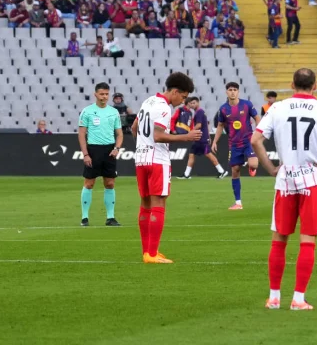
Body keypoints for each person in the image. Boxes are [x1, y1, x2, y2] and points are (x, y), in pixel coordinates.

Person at [251, 68, 317, 311]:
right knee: (307, 240)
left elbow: (255, 140)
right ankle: (298, 299)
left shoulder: (277, 108)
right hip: (312, 180)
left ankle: (273, 297)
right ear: (315, 86)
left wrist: (271, 168)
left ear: (292, 84)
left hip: (285, 178)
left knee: (279, 239)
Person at [132, 72, 201, 263]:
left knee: (145, 205)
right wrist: (185, 137)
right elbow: (159, 136)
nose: (183, 101)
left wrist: (141, 145)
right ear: (176, 92)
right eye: (183, 97)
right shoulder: (164, 107)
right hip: (157, 160)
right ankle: (152, 254)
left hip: (141, 159)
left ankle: (147, 252)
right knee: (158, 204)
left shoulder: (148, 101)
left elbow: (134, 128)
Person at [77, 82, 124, 226]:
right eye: (102, 94)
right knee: (89, 183)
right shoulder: (87, 111)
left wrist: (117, 148)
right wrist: (85, 154)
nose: (104, 97)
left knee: (110, 183)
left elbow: (120, 134)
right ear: (95, 94)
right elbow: (81, 134)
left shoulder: (114, 112)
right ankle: (84, 217)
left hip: (109, 150)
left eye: (106, 94)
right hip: (93, 150)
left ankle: (110, 217)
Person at [211, 81, 259, 209]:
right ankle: (238, 203)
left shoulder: (247, 105)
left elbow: (257, 118)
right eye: (230, 89)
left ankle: (250, 166)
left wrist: (259, 133)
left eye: (235, 90)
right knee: (235, 171)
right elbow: (220, 126)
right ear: (226, 92)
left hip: (248, 140)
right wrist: (215, 141)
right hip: (234, 144)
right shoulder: (223, 109)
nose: (232, 92)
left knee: (254, 164)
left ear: (238, 92)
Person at [174, 95, 227, 179]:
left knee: (208, 154)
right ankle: (186, 174)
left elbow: (199, 125)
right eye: (191, 103)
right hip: (198, 138)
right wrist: (209, 136)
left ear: (198, 103)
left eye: (194, 103)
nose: (192, 105)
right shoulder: (199, 112)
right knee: (191, 155)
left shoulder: (199, 112)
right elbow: (206, 125)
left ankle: (222, 171)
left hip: (201, 138)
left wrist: (190, 132)